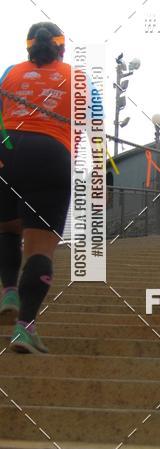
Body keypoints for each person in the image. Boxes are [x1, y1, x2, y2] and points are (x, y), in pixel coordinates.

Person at [0, 23, 72, 353]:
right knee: (40, 249)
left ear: (28, 47)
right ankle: (24, 328)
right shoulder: (76, 77)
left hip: (6, 148)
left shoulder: (10, 73)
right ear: (61, 48)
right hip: (50, 153)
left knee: (8, 228)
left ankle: (9, 291)